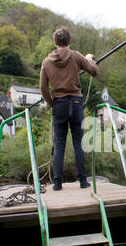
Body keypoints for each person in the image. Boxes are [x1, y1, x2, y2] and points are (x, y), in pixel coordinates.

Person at [40, 26, 99, 191]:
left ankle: (57, 183)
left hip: (58, 104)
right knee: (78, 143)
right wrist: (89, 59)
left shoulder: (46, 61)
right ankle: (83, 181)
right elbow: (94, 71)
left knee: (59, 145)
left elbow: (43, 88)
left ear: (55, 42)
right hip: (75, 103)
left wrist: (52, 103)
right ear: (69, 41)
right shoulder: (75, 55)